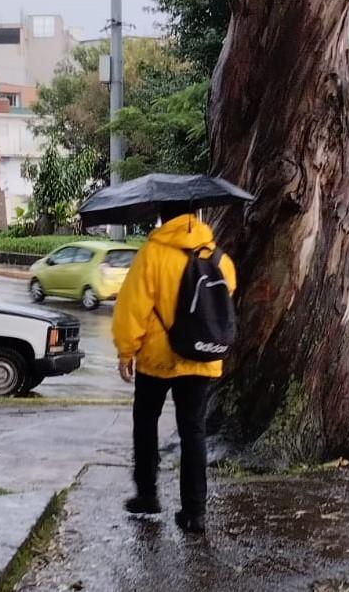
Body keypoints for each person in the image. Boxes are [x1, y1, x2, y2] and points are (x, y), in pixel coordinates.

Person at [112, 204, 237, 534]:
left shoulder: (151, 255)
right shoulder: (218, 257)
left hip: (158, 358)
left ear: (162, 218)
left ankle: (147, 494)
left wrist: (127, 352)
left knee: (146, 420)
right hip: (202, 357)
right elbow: (227, 296)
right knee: (193, 430)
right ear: (194, 215)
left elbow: (132, 307)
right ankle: (195, 512)